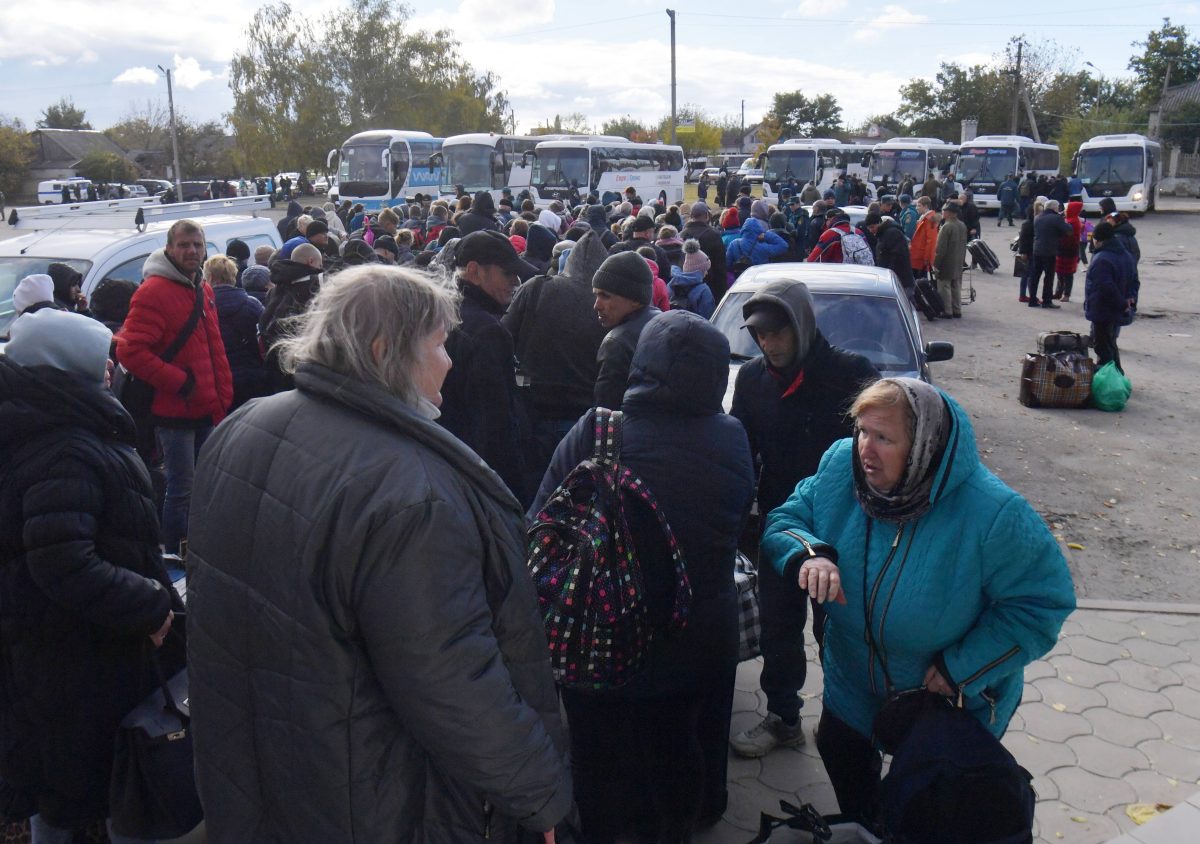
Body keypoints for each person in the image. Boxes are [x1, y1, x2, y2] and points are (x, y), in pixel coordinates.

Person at [186, 265, 571, 842]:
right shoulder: (411, 491)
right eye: (440, 344)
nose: (449, 362)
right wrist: (538, 792)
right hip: (368, 790)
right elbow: (450, 676)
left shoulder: (245, 425)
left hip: (259, 771)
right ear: (384, 350)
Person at [761, 377, 1075, 820]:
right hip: (852, 679)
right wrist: (810, 554)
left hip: (943, 703)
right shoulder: (840, 467)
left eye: (884, 438)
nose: (864, 450)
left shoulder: (993, 514)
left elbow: (1042, 604)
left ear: (926, 447)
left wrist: (960, 668)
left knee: (931, 808)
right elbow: (786, 518)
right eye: (861, 431)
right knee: (846, 766)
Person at [531, 310, 755, 839]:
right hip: (698, 642)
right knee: (678, 759)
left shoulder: (599, 429)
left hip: (599, 636)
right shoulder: (732, 436)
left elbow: (540, 527)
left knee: (602, 771)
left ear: (642, 365)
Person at [0, 309, 180, 844]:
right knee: (102, 777)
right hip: (79, 645)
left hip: (49, 638)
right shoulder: (66, 444)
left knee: (57, 773)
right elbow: (62, 560)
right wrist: (148, 604)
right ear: (69, 366)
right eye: (100, 357)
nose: (111, 368)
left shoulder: (43, 421)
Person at [729, 282, 878, 758]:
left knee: (837, 628)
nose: (769, 344)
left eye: (778, 333)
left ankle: (847, 720)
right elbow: (741, 454)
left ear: (801, 327)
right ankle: (783, 716)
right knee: (778, 626)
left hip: (844, 528)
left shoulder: (850, 375)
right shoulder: (752, 381)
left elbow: (877, 449)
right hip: (779, 525)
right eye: (759, 335)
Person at [116, 219, 232, 554]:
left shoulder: (202, 287)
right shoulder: (153, 291)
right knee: (181, 488)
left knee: (204, 483)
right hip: (175, 410)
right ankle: (175, 553)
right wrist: (181, 384)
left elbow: (213, 348)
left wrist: (221, 394)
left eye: (197, 244)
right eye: (184, 245)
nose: (191, 251)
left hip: (205, 405)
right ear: (170, 248)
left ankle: (200, 545)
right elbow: (130, 350)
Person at [503, 230, 610, 486]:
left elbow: (504, 339)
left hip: (532, 411)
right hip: (583, 418)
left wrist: (520, 380)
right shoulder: (610, 304)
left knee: (531, 493)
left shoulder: (537, 288)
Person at [439, 230, 537, 505]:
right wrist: (512, 494)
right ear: (474, 271)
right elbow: (495, 422)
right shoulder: (487, 330)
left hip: (449, 464)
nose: (515, 282)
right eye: (507, 273)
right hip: (480, 476)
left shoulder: (445, 310)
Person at [592, 251, 661, 410]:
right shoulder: (663, 324)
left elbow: (606, 414)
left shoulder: (617, 342)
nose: (597, 305)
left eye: (605, 296)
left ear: (635, 300)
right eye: (596, 295)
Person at [259, 242, 325, 394]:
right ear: (311, 261)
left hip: (276, 361)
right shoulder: (317, 285)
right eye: (320, 264)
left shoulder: (276, 289)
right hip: (307, 365)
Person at [206, 254, 267, 410]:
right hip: (255, 375)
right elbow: (265, 336)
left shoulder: (204, 309)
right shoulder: (252, 304)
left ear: (210, 277)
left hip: (221, 380)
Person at [1085, 221, 1134, 373]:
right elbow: (1134, 280)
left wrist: (1121, 303)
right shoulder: (1125, 254)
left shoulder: (1102, 259)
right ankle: (1118, 375)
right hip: (1116, 308)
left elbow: (1105, 287)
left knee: (1102, 346)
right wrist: (1130, 300)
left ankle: (1110, 381)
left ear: (1099, 239)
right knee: (1110, 343)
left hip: (1103, 309)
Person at [680, 202, 729, 303]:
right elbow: (720, 267)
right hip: (709, 287)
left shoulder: (681, 234)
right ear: (707, 215)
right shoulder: (713, 235)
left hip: (684, 289)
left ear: (691, 216)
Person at [1031, 199, 1071, 309]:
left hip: (1037, 249)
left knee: (1035, 276)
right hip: (1049, 251)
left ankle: (1032, 299)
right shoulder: (1056, 218)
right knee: (1048, 277)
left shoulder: (1037, 217)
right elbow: (1068, 231)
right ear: (1055, 208)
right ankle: (1046, 301)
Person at [932, 202, 968, 318]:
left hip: (947, 261)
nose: (942, 212)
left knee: (944, 286)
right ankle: (957, 309)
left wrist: (936, 264)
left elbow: (940, 248)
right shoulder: (962, 225)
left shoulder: (946, 226)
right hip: (958, 260)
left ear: (948, 213)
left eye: (943, 211)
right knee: (956, 285)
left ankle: (947, 310)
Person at [868, 212, 915, 295]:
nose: (871, 230)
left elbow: (898, 258)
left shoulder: (892, 233)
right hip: (892, 281)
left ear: (879, 223)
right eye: (869, 228)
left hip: (900, 281)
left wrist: (887, 274)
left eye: (872, 227)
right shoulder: (882, 234)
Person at [1054, 199, 1084, 303]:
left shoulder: (1072, 222)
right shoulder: (1070, 219)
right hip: (1063, 250)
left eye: (1067, 209)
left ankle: (1066, 294)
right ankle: (1059, 292)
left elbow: (1066, 235)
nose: (1065, 210)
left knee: (1067, 273)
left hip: (1068, 251)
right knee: (1060, 272)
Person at [908, 197, 938, 280]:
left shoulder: (929, 219)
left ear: (925, 206)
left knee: (920, 281)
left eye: (919, 206)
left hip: (921, 257)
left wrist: (927, 258)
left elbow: (931, 241)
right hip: (918, 255)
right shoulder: (924, 218)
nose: (916, 208)